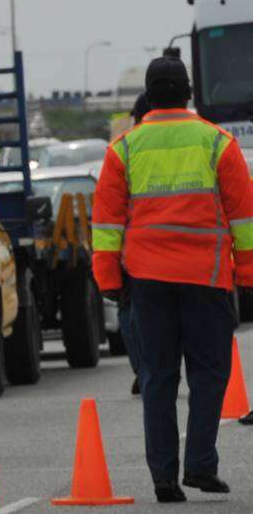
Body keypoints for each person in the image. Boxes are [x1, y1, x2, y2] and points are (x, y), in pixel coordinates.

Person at [93, 57, 253, 503]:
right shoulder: (216, 142)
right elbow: (244, 217)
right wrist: (248, 273)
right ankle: (200, 465)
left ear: (148, 95)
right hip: (207, 278)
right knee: (209, 374)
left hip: (146, 282)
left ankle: (163, 478)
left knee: (157, 377)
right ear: (187, 93)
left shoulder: (123, 149)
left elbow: (106, 225)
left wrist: (109, 279)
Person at [120, 91, 151, 397]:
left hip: (138, 254)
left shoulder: (127, 149)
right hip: (193, 258)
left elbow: (110, 214)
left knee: (128, 312)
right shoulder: (203, 138)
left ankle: (145, 369)